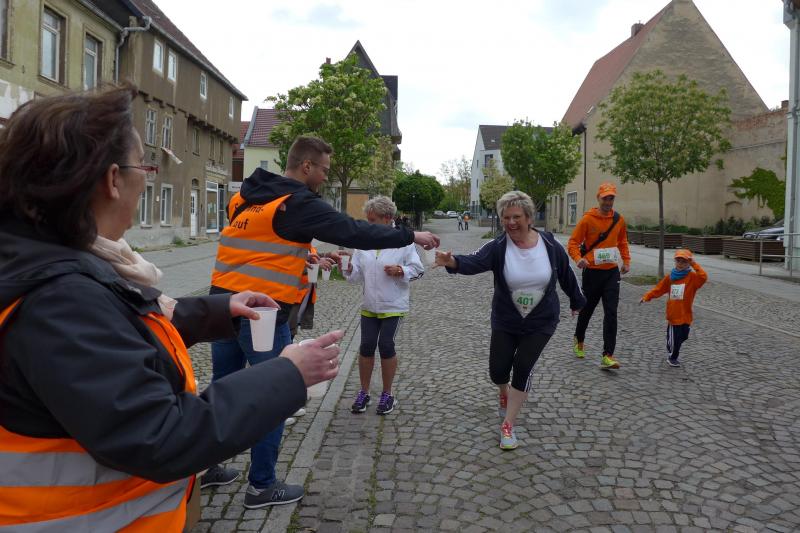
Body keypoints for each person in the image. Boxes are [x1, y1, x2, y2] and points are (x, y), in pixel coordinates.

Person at [0, 86, 341, 532]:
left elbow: (119, 328)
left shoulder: (53, 261)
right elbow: (161, 436)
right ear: (113, 180)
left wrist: (218, 310)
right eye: (143, 165)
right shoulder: (61, 298)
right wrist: (288, 374)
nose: (147, 178)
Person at [207, 135, 439, 507]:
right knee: (273, 394)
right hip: (262, 312)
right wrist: (411, 235)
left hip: (221, 306)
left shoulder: (245, 198)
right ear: (307, 167)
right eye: (325, 170)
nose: (326, 178)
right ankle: (261, 486)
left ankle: (208, 467)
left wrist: (304, 255)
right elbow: (354, 231)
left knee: (222, 389)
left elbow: (259, 247)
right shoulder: (297, 201)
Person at [436, 191, 585, 450]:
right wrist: (453, 261)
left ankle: (508, 424)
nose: (511, 222)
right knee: (497, 371)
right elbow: (475, 260)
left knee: (523, 366)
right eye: (506, 217)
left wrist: (576, 300)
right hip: (506, 319)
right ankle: (503, 392)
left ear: (529, 218)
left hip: (541, 320)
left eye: (516, 217)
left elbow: (565, 273)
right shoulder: (498, 246)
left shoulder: (549, 245)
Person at [344, 196, 424, 415]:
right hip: (370, 304)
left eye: (372, 220)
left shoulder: (403, 241)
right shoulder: (364, 241)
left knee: (386, 345)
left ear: (387, 218)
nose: (368, 224)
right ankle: (364, 392)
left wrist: (401, 270)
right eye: (367, 220)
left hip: (393, 304)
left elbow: (418, 269)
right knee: (366, 346)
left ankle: (388, 394)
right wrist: (348, 268)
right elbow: (355, 275)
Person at [567, 182, 631, 370]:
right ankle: (579, 339)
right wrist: (578, 259)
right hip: (592, 272)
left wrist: (626, 261)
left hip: (611, 272)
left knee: (611, 312)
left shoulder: (619, 220)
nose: (608, 202)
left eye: (611, 198)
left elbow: (623, 241)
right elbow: (573, 243)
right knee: (587, 310)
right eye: (605, 198)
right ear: (598, 198)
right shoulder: (588, 219)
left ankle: (608, 355)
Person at [640, 249, 708, 367]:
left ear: (688, 263)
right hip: (674, 313)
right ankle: (673, 356)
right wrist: (647, 297)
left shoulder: (692, 277)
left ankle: (671, 342)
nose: (680, 264)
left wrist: (694, 264)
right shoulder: (670, 277)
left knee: (683, 336)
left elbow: (703, 277)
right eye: (678, 261)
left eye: (684, 262)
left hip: (686, 313)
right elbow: (659, 289)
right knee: (675, 339)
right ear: (675, 262)